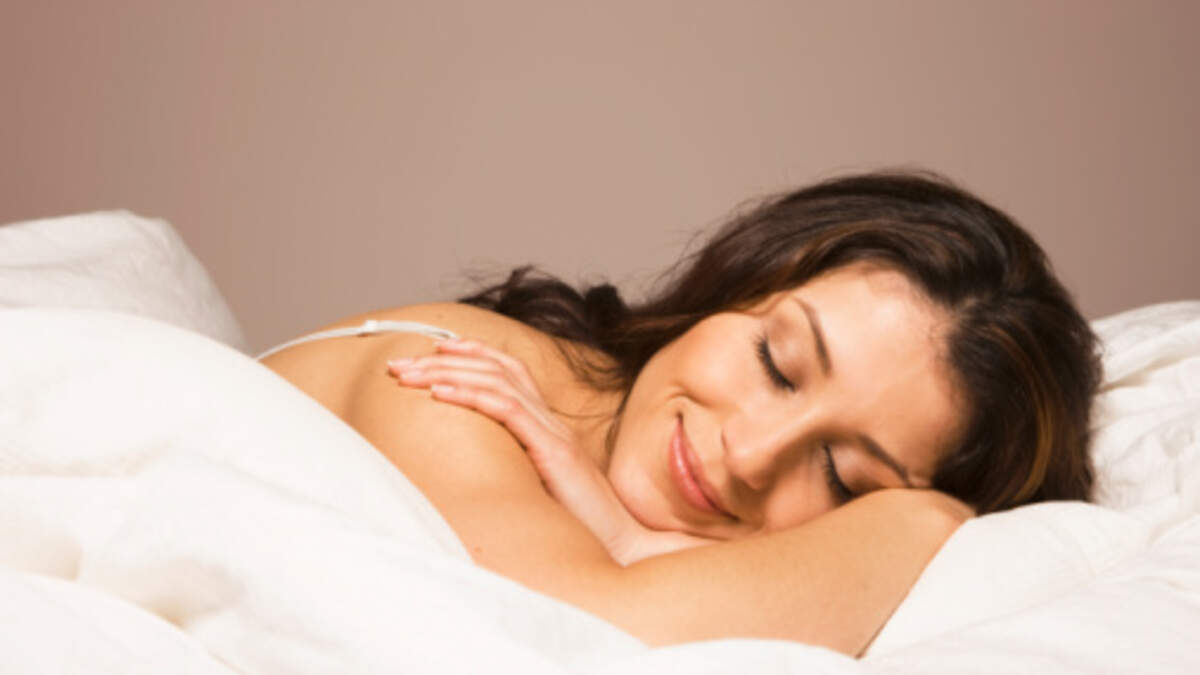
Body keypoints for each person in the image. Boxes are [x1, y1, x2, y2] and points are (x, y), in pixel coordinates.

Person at [259, 169, 1101, 656]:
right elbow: (574, 643)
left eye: (844, 480)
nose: (751, 454)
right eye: (776, 363)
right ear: (737, 284)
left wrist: (632, 543)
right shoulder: (452, 381)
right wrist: (918, 520)